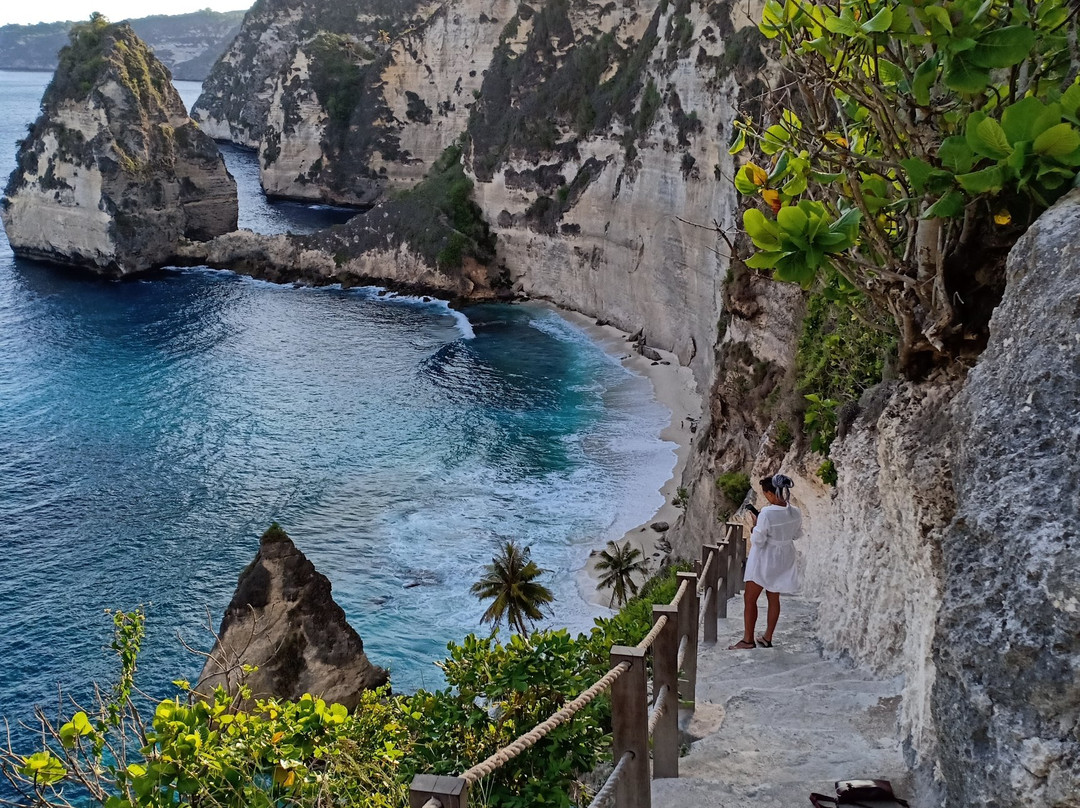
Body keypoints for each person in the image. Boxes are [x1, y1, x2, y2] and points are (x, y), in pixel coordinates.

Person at [728, 473, 801, 649]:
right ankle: (767, 637)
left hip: (764, 558)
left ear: (769, 493)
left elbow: (759, 541)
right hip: (784, 558)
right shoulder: (795, 511)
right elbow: (796, 534)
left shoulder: (767, 513)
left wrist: (755, 525)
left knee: (750, 599)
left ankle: (748, 640)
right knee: (773, 597)